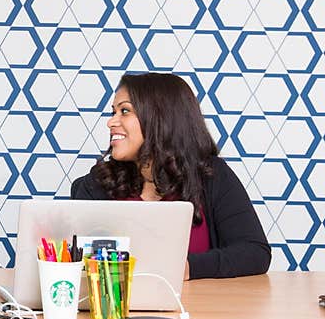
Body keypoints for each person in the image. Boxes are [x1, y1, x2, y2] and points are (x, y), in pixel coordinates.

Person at [70, 72, 271, 280]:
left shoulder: (211, 174)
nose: (111, 122)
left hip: (198, 308)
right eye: (113, 112)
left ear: (160, 117)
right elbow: (79, 264)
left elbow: (255, 252)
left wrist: (186, 268)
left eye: (125, 111)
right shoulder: (97, 184)